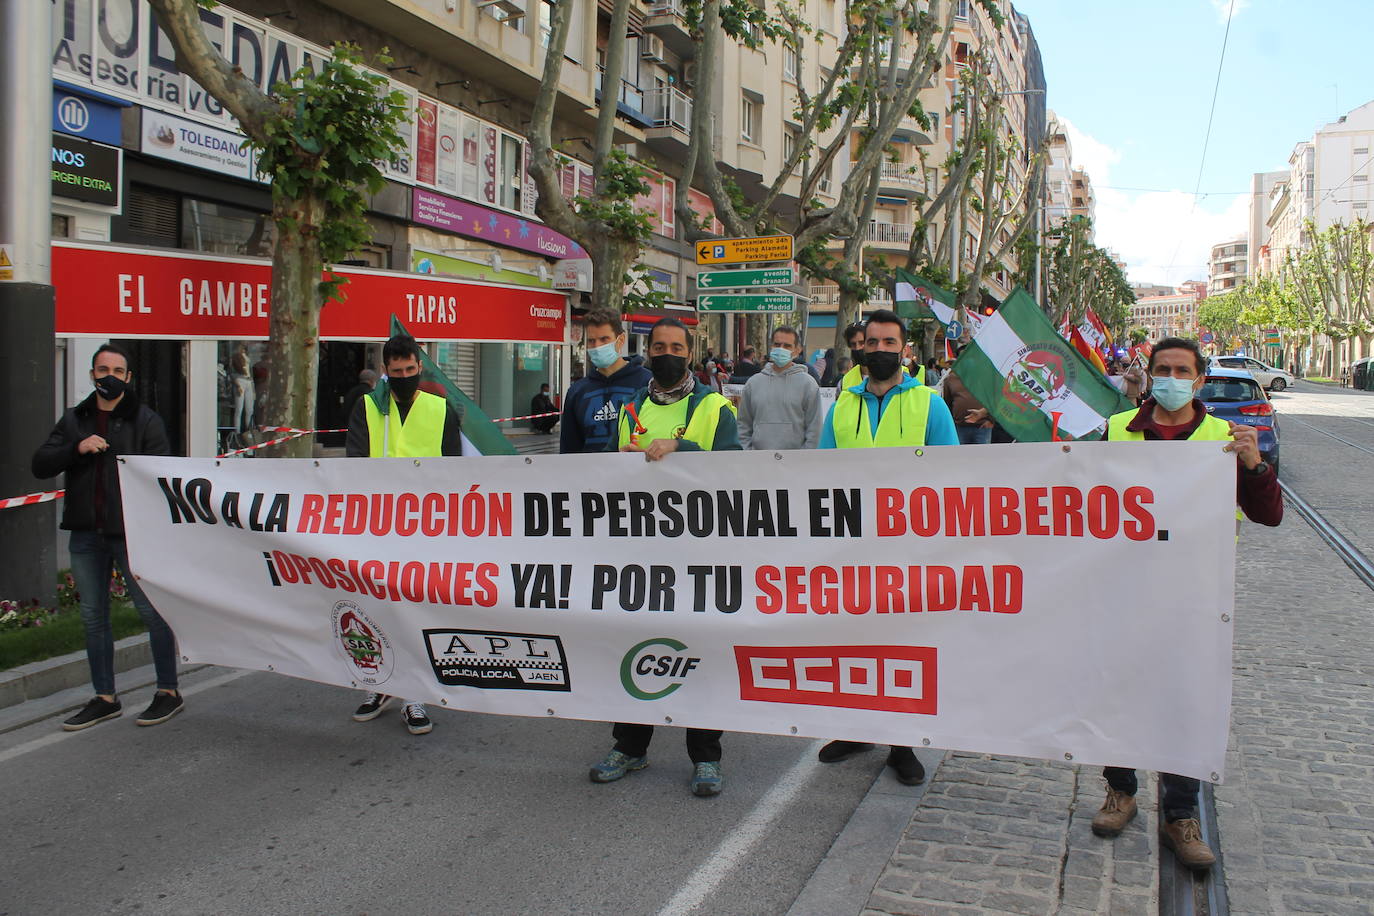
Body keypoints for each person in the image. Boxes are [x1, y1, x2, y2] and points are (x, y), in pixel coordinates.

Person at [1091, 336, 1283, 871]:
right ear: (1149, 375)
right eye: (1163, 369)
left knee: (1184, 700)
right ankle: (1120, 790)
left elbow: (1269, 514)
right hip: (1123, 591)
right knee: (1118, 691)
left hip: (1195, 597)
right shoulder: (1114, 431)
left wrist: (1254, 467)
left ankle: (1180, 813)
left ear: (1199, 380)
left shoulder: (1226, 437)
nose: (1172, 377)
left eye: (1183, 370)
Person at [591, 317, 741, 797]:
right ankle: (630, 746)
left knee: (700, 651)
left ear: (690, 353)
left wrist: (684, 447)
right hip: (639, 552)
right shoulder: (629, 408)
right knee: (635, 647)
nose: (668, 353)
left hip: (699, 554)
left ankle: (706, 757)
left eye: (677, 346)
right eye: (659, 346)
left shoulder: (715, 407)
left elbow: (735, 475)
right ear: (647, 351)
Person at [815, 310, 959, 784]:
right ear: (860, 347)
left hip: (908, 549)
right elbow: (820, 476)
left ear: (904, 349)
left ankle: (904, 743)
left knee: (904, 646)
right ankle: (857, 728)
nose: (879, 350)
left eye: (889, 342)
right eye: (871, 342)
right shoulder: (840, 406)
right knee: (851, 641)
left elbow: (951, 478)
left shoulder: (929, 404)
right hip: (852, 547)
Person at [32, 343, 184, 730]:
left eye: (117, 370)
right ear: (91, 375)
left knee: (152, 613)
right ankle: (105, 697)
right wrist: (76, 447)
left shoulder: (146, 420)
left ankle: (167, 691)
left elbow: (160, 474)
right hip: (85, 534)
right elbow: (40, 464)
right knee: (93, 618)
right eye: (102, 370)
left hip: (130, 535)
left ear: (129, 378)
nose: (109, 377)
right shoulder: (74, 420)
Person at [345, 334, 463, 735]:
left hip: (425, 531)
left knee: (414, 611)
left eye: (411, 371)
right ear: (385, 372)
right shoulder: (367, 407)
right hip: (377, 528)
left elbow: (454, 470)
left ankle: (414, 695)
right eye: (397, 373)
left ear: (419, 367)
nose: (405, 377)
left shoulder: (441, 409)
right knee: (376, 610)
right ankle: (379, 685)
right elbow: (355, 465)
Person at [559, 309, 653, 454]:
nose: (597, 346)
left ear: (620, 340)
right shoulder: (577, 392)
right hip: (591, 473)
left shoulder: (647, 383)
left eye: (604, 339)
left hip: (637, 472)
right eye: (591, 341)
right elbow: (569, 449)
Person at [738, 326, 823, 451]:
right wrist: (749, 454)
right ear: (771, 346)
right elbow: (743, 425)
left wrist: (804, 459)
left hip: (795, 464)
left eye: (787, 346)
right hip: (758, 463)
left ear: (797, 350)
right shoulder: (753, 383)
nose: (781, 349)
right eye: (777, 344)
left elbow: (815, 429)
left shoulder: (808, 384)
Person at [942, 368, 993, 445]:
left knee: (983, 456)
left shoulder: (986, 376)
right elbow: (947, 403)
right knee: (960, 456)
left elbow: (994, 399)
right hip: (959, 427)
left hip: (982, 427)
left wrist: (991, 420)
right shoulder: (951, 379)